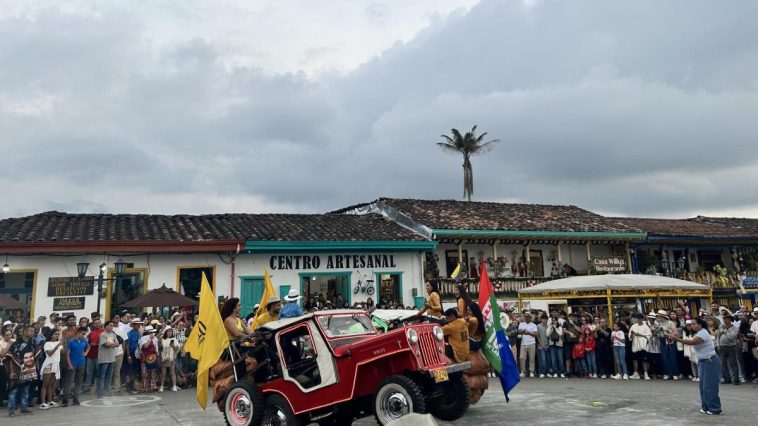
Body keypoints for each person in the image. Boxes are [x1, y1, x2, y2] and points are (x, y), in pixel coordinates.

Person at [669, 317, 722, 415]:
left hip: (710, 361)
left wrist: (676, 339)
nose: (692, 326)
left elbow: (692, 342)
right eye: (691, 324)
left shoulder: (703, 333)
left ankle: (715, 409)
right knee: (703, 386)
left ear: (700, 324)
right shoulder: (700, 332)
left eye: (694, 324)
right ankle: (706, 407)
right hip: (703, 361)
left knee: (710, 387)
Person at [7, 326, 38, 417]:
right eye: (31, 331)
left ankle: (24, 407)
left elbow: (35, 356)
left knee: (25, 389)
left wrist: (34, 368)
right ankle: (11, 409)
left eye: (34, 331)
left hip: (28, 369)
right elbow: (11, 358)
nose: (33, 332)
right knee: (14, 390)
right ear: (24, 332)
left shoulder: (33, 343)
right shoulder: (16, 344)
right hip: (17, 369)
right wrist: (12, 371)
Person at [38, 328, 63, 409]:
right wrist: (57, 345)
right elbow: (49, 353)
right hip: (49, 364)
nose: (57, 336)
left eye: (58, 334)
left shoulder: (58, 343)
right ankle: (42, 402)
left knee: (51, 384)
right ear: (51, 335)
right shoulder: (47, 343)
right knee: (45, 384)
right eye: (55, 334)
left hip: (56, 365)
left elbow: (63, 352)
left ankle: (50, 400)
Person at [63, 327, 87, 406]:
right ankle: (65, 399)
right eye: (83, 334)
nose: (84, 335)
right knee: (69, 382)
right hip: (73, 363)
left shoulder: (84, 340)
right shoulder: (71, 341)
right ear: (78, 333)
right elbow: (67, 354)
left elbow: (88, 346)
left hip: (81, 363)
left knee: (78, 382)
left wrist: (86, 353)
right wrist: (69, 364)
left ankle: (76, 399)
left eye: (85, 334)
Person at [716, 312, 740, 385]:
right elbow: (718, 336)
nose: (725, 320)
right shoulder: (721, 326)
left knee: (733, 364)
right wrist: (718, 344)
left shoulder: (735, 328)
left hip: (731, 347)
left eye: (727, 319)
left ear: (730, 319)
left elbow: (731, 337)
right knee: (723, 364)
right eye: (724, 319)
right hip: (722, 347)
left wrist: (725, 330)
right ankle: (727, 379)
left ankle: (736, 379)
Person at [82, 318, 103, 393]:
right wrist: (90, 344)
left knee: (99, 372)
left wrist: (97, 344)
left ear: (100, 323)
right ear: (93, 324)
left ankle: (99, 388)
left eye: (98, 323)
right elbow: (87, 343)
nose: (97, 324)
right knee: (88, 372)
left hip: (99, 355)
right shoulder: (91, 333)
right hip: (90, 355)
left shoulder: (103, 332)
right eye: (95, 323)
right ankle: (86, 387)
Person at [629, 313, 652, 380]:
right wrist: (632, 335)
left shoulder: (646, 326)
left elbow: (649, 336)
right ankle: (636, 373)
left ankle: (645, 374)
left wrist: (640, 335)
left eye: (638, 318)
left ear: (642, 319)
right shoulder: (633, 326)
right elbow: (630, 335)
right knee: (635, 359)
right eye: (636, 318)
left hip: (643, 345)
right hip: (635, 344)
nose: (637, 320)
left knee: (644, 360)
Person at [138, 326, 160, 393]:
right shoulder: (142, 338)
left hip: (153, 358)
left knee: (153, 372)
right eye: (151, 332)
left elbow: (156, 348)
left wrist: (157, 354)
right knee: (145, 373)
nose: (152, 333)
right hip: (145, 358)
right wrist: (150, 339)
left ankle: (153, 386)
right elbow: (145, 346)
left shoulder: (155, 338)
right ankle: (144, 387)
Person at [124, 319, 143, 394]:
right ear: (134, 324)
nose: (139, 325)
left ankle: (132, 386)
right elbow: (127, 345)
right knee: (129, 371)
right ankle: (128, 387)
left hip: (137, 353)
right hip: (131, 353)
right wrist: (128, 356)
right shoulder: (129, 333)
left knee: (134, 371)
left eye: (139, 324)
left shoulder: (139, 332)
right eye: (137, 324)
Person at [159, 327, 179, 392]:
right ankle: (161, 387)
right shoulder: (162, 339)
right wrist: (159, 341)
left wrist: (173, 346)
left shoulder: (174, 339)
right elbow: (160, 348)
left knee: (172, 372)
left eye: (171, 331)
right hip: (164, 358)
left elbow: (177, 349)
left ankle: (174, 386)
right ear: (165, 332)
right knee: (163, 373)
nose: (170, 332)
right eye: (168, 331)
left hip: (171, 358)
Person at [517, 312, 538, 378]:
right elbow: (519, 331)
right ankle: (523, 371)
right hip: (523, 343)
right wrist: (524, 331)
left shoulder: (533, 325)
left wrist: (528, 332)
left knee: (531, 358)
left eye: (528, 317)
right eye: (526, 316)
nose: (527, 318)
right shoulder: (521, 324)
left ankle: (531, 371)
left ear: (530, 318)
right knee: (522, 357)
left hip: (531, 343)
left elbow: (535, 334)